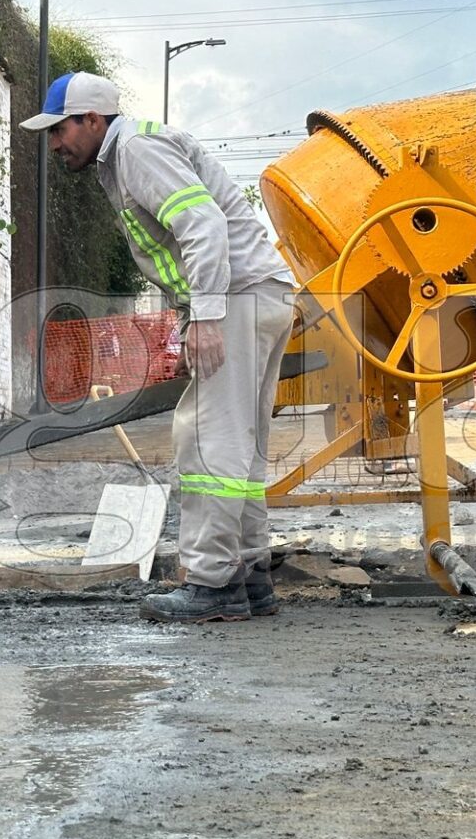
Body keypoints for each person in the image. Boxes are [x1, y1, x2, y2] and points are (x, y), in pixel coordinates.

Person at [21, 72, 296, 623]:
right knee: (239, 445)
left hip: (237, 297)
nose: (55, 144)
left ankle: (214, 585)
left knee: (207, 440)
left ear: (92, 120)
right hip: (258, 293)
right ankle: (248, 575)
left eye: (60, 130)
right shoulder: (127, 152)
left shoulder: (137, 151)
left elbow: (203, 226)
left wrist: (208, 316)